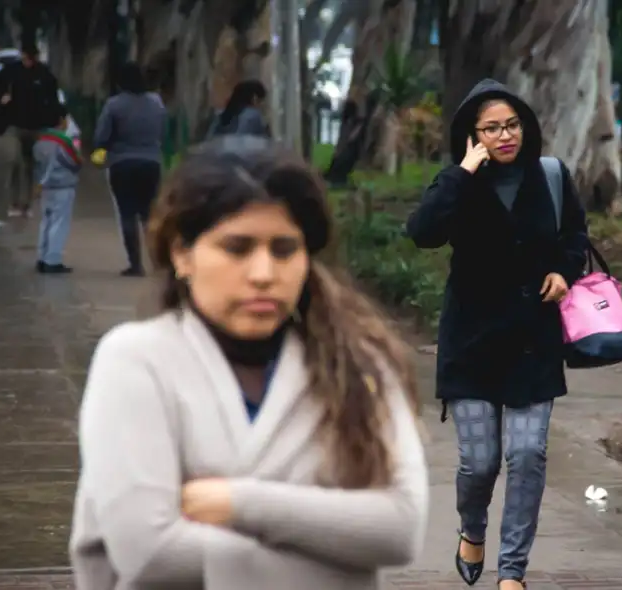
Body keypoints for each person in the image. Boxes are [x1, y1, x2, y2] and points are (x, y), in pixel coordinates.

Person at [69, 135, 428, 590]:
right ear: (182, 253)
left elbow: (399, 528)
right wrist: (335, 559)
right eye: (236, 248)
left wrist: (238, 503)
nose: (263, 274)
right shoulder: (138, 361)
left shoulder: (359, 364)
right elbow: (150, 553)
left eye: (284, 249)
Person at [405, 79, 589, 590]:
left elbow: (575, 235)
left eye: (513, 125)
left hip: (533, 341)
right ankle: (472, 526)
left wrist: (564, 271)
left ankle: (512, 572)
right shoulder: (459, 184)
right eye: (492, 128)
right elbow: (422, 232)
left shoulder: (549, 175)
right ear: (473, 135)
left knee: (528, 457)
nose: (505, 135)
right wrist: (463, 172)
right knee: (480, 462)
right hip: (471, 345)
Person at [94, 62, 167, 277]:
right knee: (149, 215)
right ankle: (158, 261)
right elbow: (163, 130)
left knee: (127, 214)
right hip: (151, 162)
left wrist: (104, 148)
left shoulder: (114, 105)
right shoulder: (156, 102)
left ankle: (135, 265)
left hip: (122, 164)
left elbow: (101, 137)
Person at [0, 43, 61, 218]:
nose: (27, 62)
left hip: (37, 126)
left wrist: (54, 119)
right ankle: (14, 201)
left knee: (31, 165)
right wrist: (2, 97)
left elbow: (53, 98)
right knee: (15, 161)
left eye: (30, 59)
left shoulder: (44, 74)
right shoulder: (12, 71)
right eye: (25, 58)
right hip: (16, 125)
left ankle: (27, 203)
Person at [33, 105, 81, 274]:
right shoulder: (63, 141)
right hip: (63, 185)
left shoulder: (40, 141)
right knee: (59, 222)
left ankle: (41, 256)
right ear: (61, 121)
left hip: (45, 187)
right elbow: (75, 161)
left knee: (45, 221)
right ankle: (52, 260)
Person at [206, 79, 270, 138]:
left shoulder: (222, 116)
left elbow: (210, 138)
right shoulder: (252, 115)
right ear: (254, 98)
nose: (263, 105)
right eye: (262, 100)